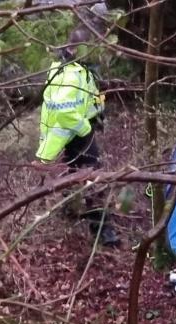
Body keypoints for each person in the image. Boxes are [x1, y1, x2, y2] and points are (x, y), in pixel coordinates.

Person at [36, 35, 119, 247]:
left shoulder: (67, 66)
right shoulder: (71, 74)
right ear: (75, 49)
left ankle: (69, 207)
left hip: (70, 132)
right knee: (93, 175)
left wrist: (97, 113)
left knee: (74, 170)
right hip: (75, 132)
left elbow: (84, 97)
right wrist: (85, 127)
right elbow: (65, 111)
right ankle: (102, 228)